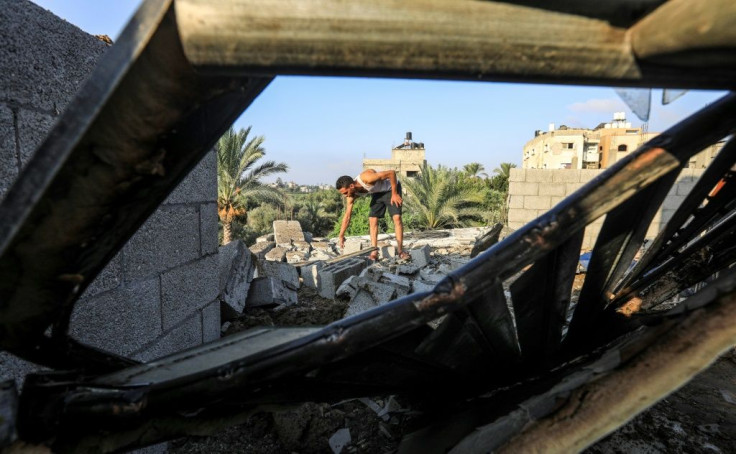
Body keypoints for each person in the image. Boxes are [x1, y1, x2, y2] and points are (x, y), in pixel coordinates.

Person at [335, 169, 410, 260]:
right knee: (372, 219)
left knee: (397, 217)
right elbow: (347, 216)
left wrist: (394, 194)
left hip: (391, 188)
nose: (346, 195)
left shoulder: (367, 178)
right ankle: (374, 252)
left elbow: (391, 173)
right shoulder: (350, 196)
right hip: (377, 193)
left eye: (346, 192)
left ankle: (400, 252)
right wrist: (341, 235)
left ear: (351, 186)